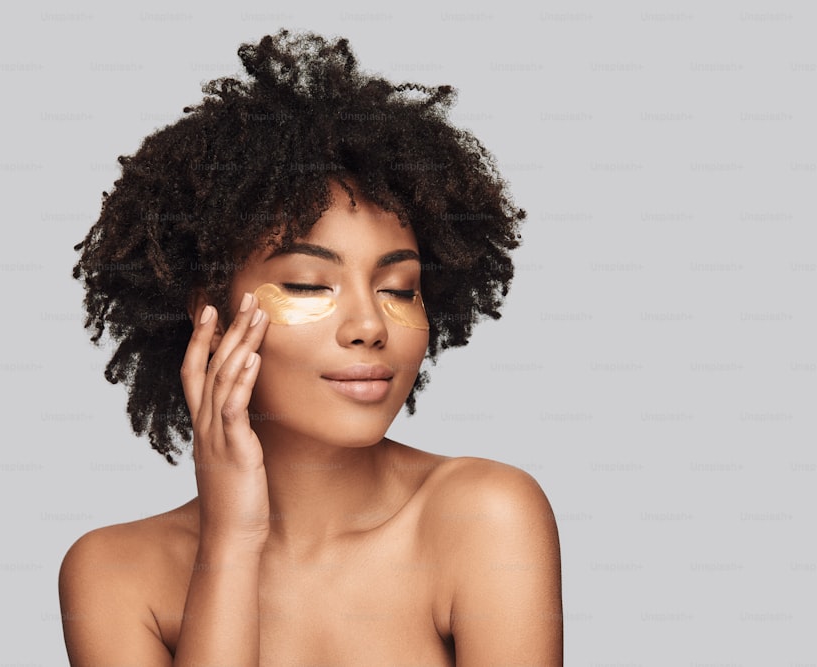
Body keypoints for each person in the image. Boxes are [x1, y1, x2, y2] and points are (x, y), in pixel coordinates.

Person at [60, 29, 562, 666]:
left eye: (400, 289)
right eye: (306, 284)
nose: (370, 326)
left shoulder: (483, 517)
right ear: (208, 315)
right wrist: (231, 543)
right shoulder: (113, 574)